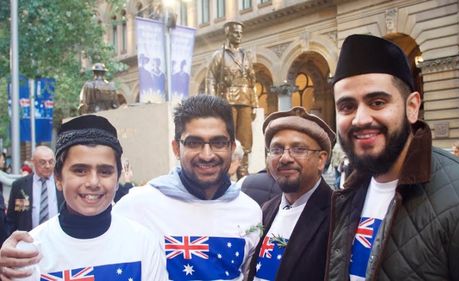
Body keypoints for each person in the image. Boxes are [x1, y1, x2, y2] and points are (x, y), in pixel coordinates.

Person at [326, 34, 459, 281]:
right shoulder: (346, 195)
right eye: (346, 106)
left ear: (412, 107)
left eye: (377, 102)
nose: (360, 119)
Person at [0, 115, 167, 280]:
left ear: (117, 179)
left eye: (105, 172)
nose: (93, 182)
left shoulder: (143, 243)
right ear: (58, 178)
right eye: (80, 170)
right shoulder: (28, 254)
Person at [113, 95, 262, 280]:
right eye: (194, 143)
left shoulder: (250, 211)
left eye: (218, 143)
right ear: (176, 148)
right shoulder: (138, 206)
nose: (207, 155)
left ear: (231, 148)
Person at [247, 106, 335, 281]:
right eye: (277, 150)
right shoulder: (266, 209)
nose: (285, 158)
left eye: (298, 149)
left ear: (321, 159)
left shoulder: (337, 214)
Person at [207, 20, 259, 178]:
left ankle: (243, 171)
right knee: (227, 138)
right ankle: (227, 170)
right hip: (227, 101)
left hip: (245, 100)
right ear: (227, 33)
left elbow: (252, 80)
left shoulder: (246, 55)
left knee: (245, 140)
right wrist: (212, 104)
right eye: (236, 32)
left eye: (241, 33)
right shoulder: (218, 55)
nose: (239, 35)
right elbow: (211, 79)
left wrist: (255, 102)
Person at [6, 146, 63, 234]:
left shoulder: (63, 183)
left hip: (58, 236)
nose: (47, 166)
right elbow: (12, 217)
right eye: (43, 162)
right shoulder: (20, 185)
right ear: (33, 162)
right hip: (28, 239)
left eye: (51, 162)